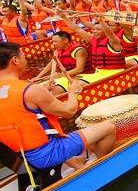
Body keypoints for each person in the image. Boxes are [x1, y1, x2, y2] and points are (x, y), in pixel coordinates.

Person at [0, 42, 116, 170]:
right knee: (109, 128)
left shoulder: (29, 90)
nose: (25, 59)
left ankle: (77, 164)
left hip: (16, 157)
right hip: (45, 154)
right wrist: (73, 92)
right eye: (24, 56)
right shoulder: (31, 91)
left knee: (53, 130)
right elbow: (69, 111)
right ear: (15, 60)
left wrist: (44, 91)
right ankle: (95, 167)